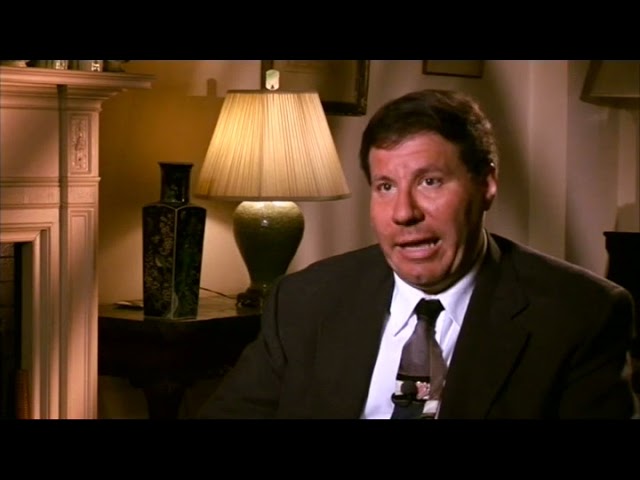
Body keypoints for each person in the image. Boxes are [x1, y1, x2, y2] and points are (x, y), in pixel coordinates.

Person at [197, 88, 637, 419]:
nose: (404, 213)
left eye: (430, 182)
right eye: (386, 187)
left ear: (487, 185)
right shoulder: (306, 300)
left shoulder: (579, 315)